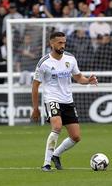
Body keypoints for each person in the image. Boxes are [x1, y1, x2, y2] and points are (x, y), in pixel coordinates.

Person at [31, 32, 98, 172]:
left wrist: (88, 80)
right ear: (52, 43)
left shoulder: (70, 59)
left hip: (68, 101)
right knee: (57, 126)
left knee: (76, 136)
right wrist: (35, 108)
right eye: (60, 43)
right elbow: (35, 85)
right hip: (52, 99)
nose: (63, 45)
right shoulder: (44, 62)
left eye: (64, 42)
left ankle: (56, 154)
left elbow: (79, 78)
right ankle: (46, 163)